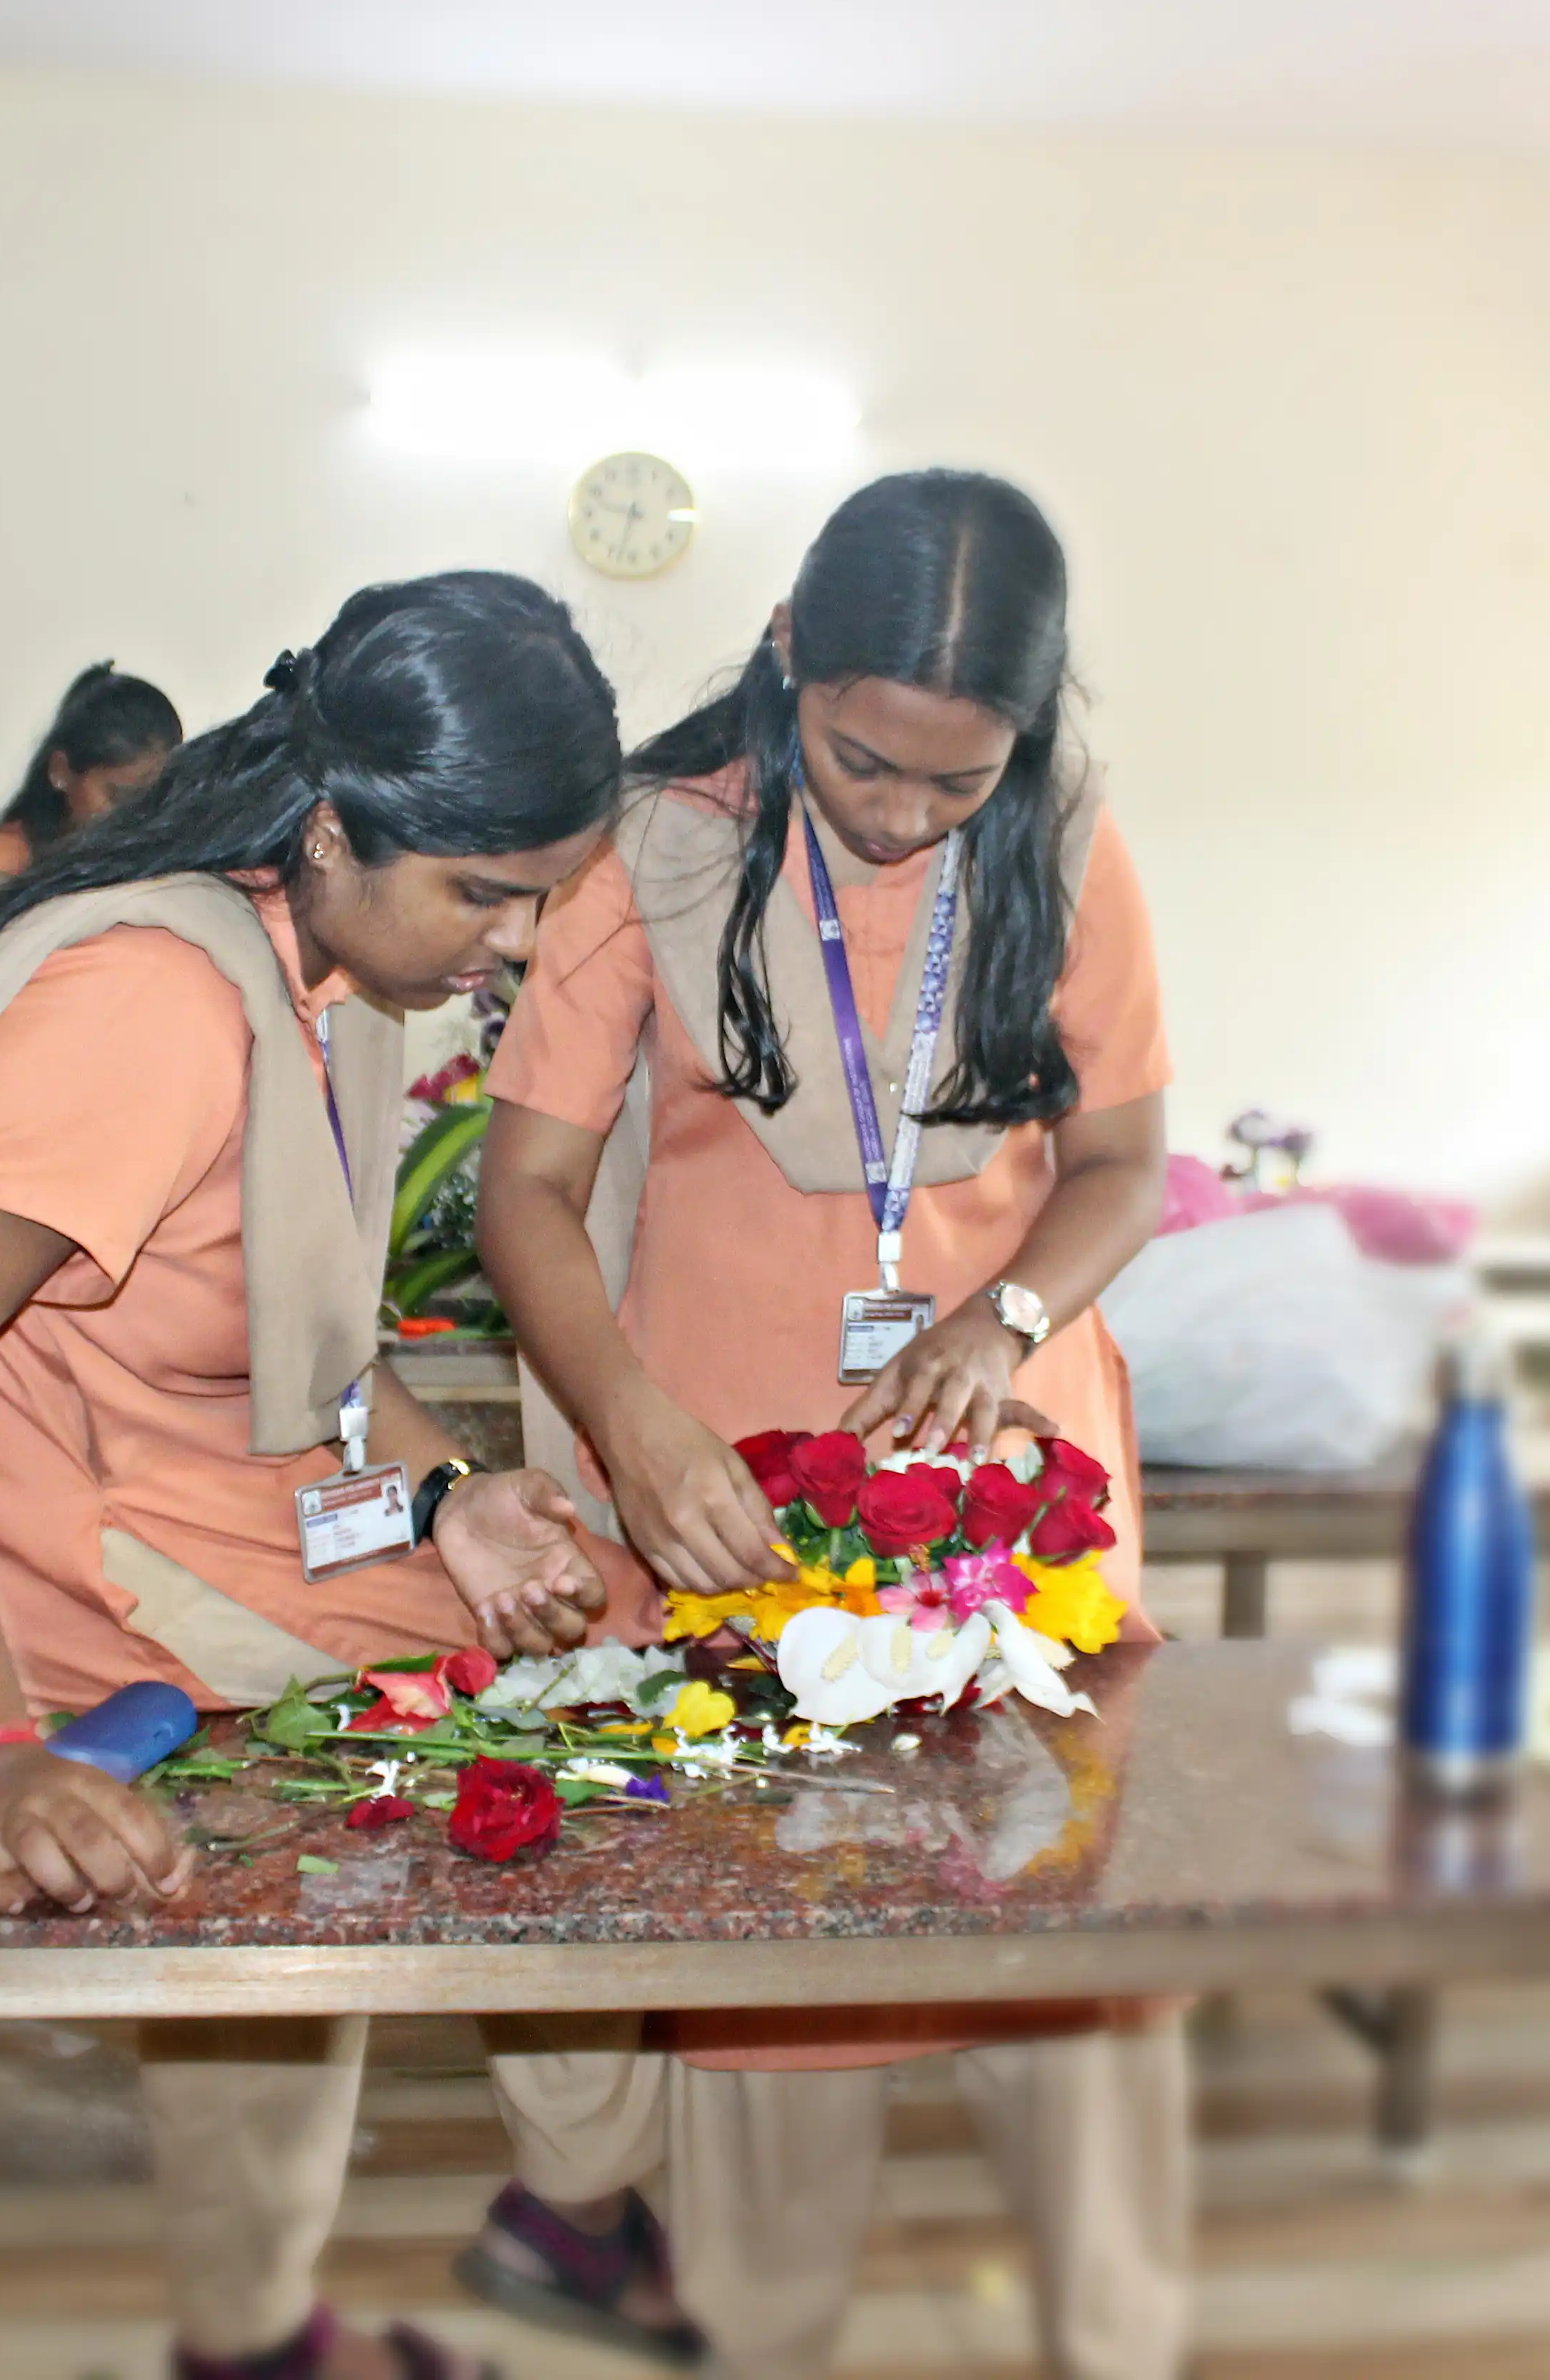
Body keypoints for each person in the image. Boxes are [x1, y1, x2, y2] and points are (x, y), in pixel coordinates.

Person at [0, 573, 694, 2380]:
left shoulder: (323, 966)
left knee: (600, 1617)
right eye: (485, 892)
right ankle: (500, 2233)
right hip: (36, 1562)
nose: (509, 941)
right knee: (535, 1715)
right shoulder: (159, 998)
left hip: (189, 1492)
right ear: (335, 827)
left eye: (540, 897)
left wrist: (445, 1500)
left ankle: (468, 2242)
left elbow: (307, 1362)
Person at [469, 470, 1186, 2379]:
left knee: (1073, 1952)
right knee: (779, 1964)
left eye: (958, 783)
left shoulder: (1063, 842)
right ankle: (757, 2327)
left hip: (1007, 1476)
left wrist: (1004, 1315)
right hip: (726, 1484)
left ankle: (1115, 2338)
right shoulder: (660, 846)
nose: (903, 814)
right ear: (790, 651)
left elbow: (1121, 1161)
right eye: (868, 762)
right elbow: (521, 1193)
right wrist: (630, 1431)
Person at [0, 660, 186, 953]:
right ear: (61, 772)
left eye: (156, 799)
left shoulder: (177, 879)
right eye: (118, 796)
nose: (136, 817)